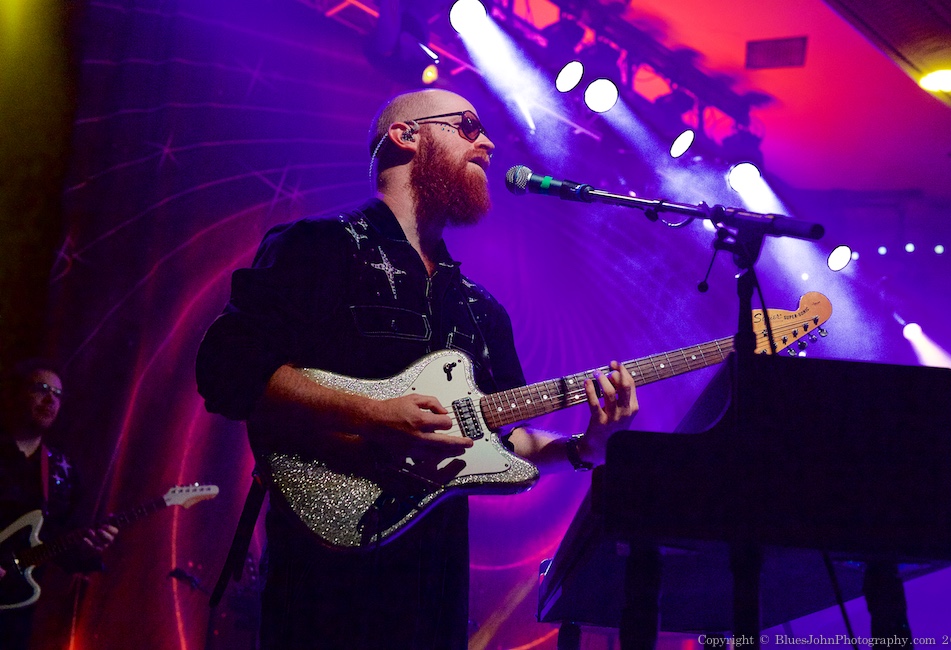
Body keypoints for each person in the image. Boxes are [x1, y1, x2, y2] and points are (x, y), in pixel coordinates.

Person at [195, 88, 639, 649]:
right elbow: (227, 368)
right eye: (468, 127)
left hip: (436, 598)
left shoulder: (482, 309)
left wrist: (586, 446)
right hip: (324, 588)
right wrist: (376, 415)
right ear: (406, 136)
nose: (489, 143)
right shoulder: (320, 247)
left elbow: (507, 440)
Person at [0, 359, 117, 650]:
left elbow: (58, 543)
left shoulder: (61, 470)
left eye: (57, 394)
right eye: (41, 389)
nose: (51, 399)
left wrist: (89, 548)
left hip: (14, 611)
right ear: (16, 393)